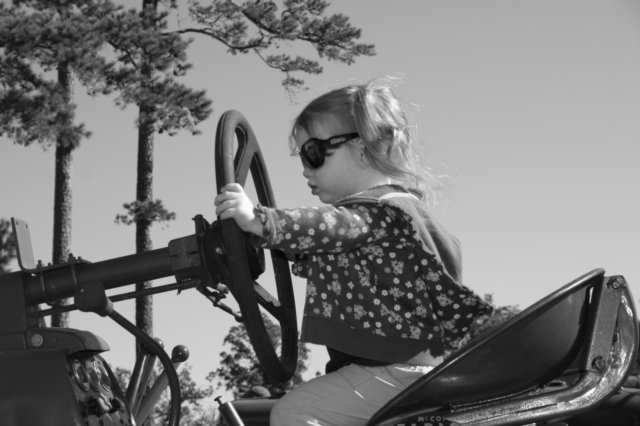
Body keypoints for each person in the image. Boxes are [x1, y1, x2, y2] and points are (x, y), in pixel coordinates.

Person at [214, 77, 492, 426]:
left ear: (362, 148)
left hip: (396, 369)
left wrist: (259, 220)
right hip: (415, 368)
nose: (305, 169)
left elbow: (329, 227)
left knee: (295, 412)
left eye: (313, 153)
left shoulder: (378, 213)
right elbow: (329, 245)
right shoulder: (394, 218)